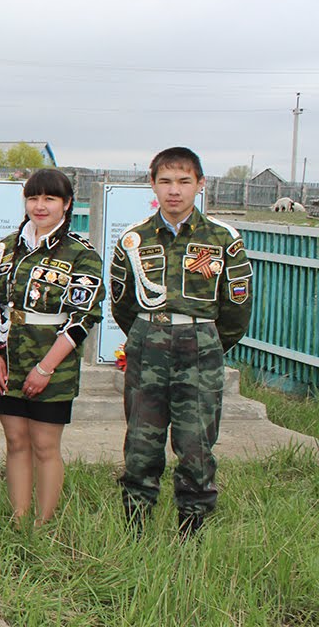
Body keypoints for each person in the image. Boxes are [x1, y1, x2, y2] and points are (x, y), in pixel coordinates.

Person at [111, 147, 253, 538]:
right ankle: (136, 532)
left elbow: (236, 310)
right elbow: (122, 304)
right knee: (141, 444)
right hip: (148, 346)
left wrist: (205, 341)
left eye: (184, 181)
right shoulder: (134, 239)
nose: (174, 190)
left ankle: (191, 534)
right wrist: (150, 334)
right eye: (166, 181)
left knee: (196, 445)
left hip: (200, 348)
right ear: (153, 184)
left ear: (200, 184)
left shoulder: (223, 239)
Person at [0, 168, 103, 526]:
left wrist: (45, 368)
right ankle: (18, 519)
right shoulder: (5, 249)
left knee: (45, 445)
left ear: (67, 204)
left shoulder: (80, 254)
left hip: (53, 363)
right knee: (16, 441)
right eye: (33, 198)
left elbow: (83, 318)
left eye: (49, 198)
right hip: (8, 361)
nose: (40, 206)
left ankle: (43, 524)